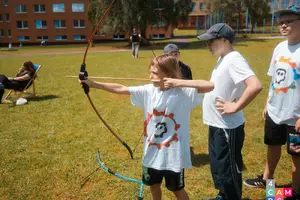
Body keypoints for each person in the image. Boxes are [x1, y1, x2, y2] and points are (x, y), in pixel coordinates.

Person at [81, 54, 214, 200]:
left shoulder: (183, 93)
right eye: (150, 72)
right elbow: (120, 88)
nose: (151, 76)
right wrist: (92, 84)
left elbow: (209, 85)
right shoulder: (148, 91)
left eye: (155, 73)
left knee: (177, 189)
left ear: (169, 74)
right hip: (152, 153)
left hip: (173, 155)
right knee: (154, 186)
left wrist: (178, 82)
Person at [197, 23, 262, 200]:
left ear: (224, 40)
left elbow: (255, 85)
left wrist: (235, 106)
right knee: (218, 166)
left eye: (211, 41)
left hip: (227, 127)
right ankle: (223, 195)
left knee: (229, 169)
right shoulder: (223, 58)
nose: (208, 46)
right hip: (216, 123)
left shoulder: (234, 58)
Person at [243, 5, 300, 200]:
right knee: (273, 145)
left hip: (296, 117)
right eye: (281, 22)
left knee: (296, 154)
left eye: (288, 21)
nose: (283, 25)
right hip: (276, 111)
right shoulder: (279, 48)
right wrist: (268, 102)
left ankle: (295, 192)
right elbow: (274, 79)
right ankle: (268, 183)